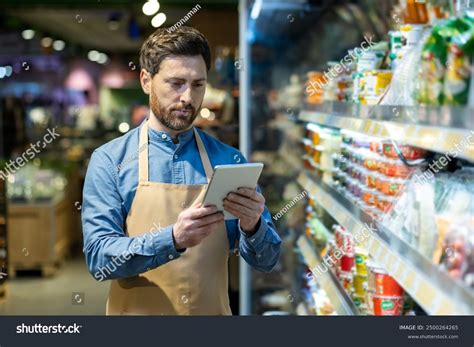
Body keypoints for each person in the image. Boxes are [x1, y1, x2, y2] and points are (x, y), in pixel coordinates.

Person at [81, 26, 281, 315]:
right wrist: (172, 239)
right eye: (176, 83)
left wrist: (253, 227)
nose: (188, 97)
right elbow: (99, 261)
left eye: (198, 84)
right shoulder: (110, 161)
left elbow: (268, 259)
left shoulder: (229, 160)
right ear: (146, 80)